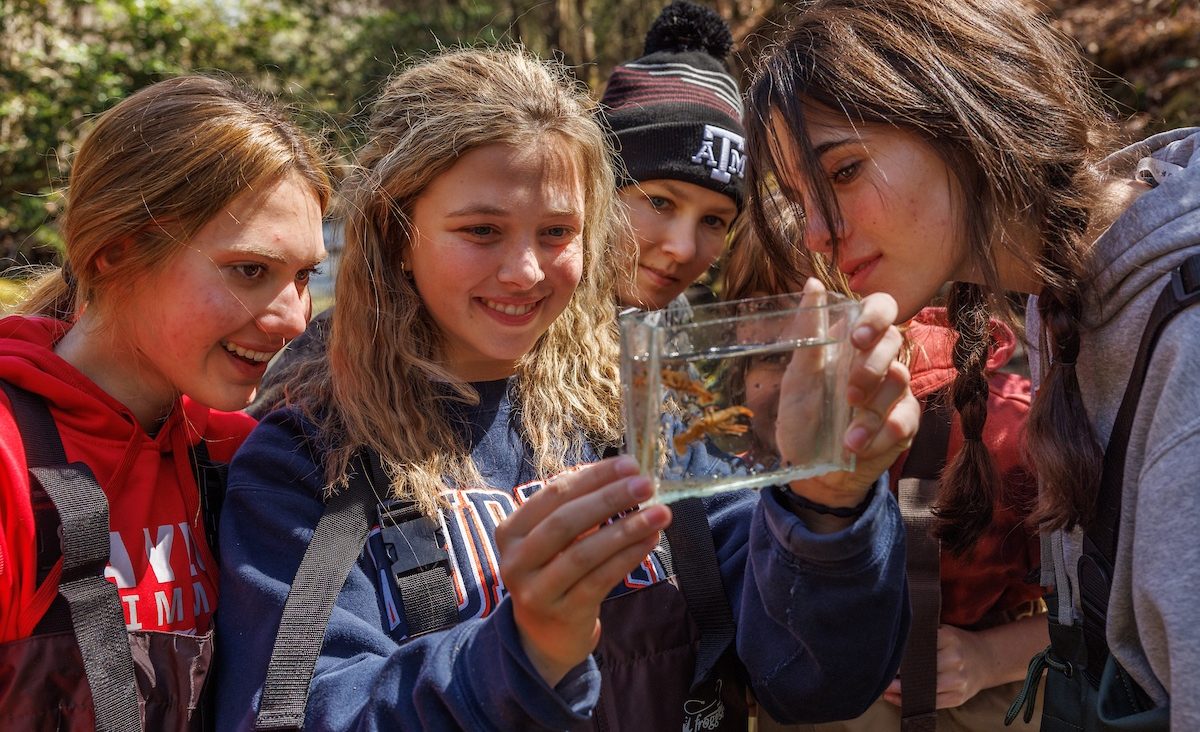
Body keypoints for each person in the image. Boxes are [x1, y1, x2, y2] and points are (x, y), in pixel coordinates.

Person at [215, 46, 919, 731]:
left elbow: (814, 679)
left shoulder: (646, 414)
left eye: (556, 231)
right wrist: (523, 653)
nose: (525, 270)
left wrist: (827, 506)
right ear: (398, 232)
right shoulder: (308, 459)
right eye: (482, 230)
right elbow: (298, 710)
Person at [742, 0, 1200, 727]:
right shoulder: (1062, 301)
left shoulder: (1184, 340)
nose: (817, 238)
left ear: (968, 116)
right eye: (800, 200)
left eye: (845, 170)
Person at [0, 75, 330, 729]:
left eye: (303, 276)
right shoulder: (13, 460)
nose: (294, 320)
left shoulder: (238, 452)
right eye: (249, 271)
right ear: (116, 252)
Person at [245, 0, 743, 418]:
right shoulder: (325, 391)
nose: (682, 248)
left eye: (715, 220)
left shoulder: (664, 335)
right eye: (658, 201)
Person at [721, 207, 1045, 731]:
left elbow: (1099, 611)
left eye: (821, 331)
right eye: (770, 342)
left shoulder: (1006, 437)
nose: (797, 371)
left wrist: (990, 657)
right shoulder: (748, 449)